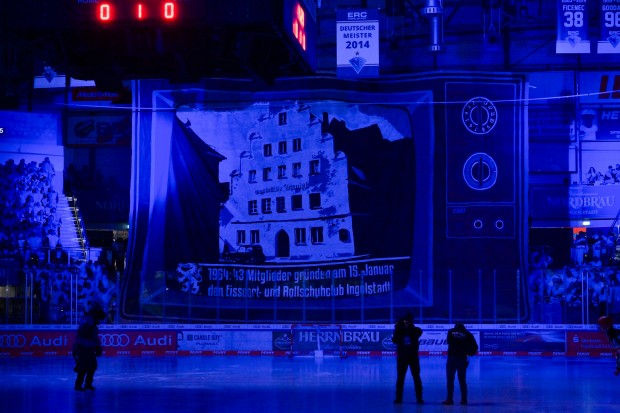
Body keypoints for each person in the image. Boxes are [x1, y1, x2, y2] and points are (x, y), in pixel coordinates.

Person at [391, 312, 424, 404]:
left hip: (408, 357)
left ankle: (415, 398)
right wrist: (399, 328)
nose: (408, 322)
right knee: (404, 378)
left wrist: (400, 328)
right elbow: (395, 340)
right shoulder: (404, 330)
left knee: (413, 377)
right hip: (407, 357)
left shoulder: (415, 330)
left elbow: (395, 340)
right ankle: (415, 398)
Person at [73, 301, 106, 391]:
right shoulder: (89, 320)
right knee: (84, 367)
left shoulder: (89, 319)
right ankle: (78, 385)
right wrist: (96, 346)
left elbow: (102, 317)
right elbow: (86, 336)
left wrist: (96, 346)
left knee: (92, 366)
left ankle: (87, 384)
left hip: (86, 346)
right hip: (84, 347)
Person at [442, 323, 478, 405]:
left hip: (451, 358)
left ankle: (449, 399)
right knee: (462, 380)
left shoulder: (451, 331)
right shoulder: (468, 334)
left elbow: (448, 342)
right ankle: (464, 400)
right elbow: (475, 347)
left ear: (455, 327)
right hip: (462, 359)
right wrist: (468, 354)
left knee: (450, 380)